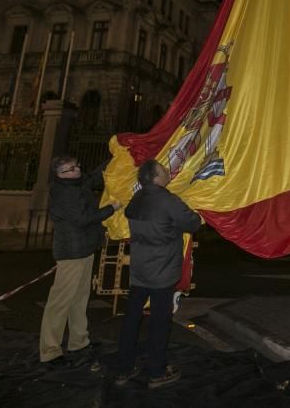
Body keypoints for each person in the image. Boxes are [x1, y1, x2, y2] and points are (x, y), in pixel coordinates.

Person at [115, 159, 203, 388]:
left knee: (132, 318)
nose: (168, 172)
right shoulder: (168, 200)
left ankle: (124, 368)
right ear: (155, 177)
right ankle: (156, 370)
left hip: (139, 269)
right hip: (162, 271)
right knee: (159, 321)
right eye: (164, 171)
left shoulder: (137, 198)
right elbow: (192, 223)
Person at [39, 156, 121, 366]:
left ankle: (78, 340)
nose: (76, 170)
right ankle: (50, 350)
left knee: (79, 297)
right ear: (59, 174)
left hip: (84, 249)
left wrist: (117, 155)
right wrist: (112, 208)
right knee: (60, 301)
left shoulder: (76, 182)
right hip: (72, 252)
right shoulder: (64, 192)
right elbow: (83, 219)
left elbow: (95, 176)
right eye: (70, 169)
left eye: (77, 166)